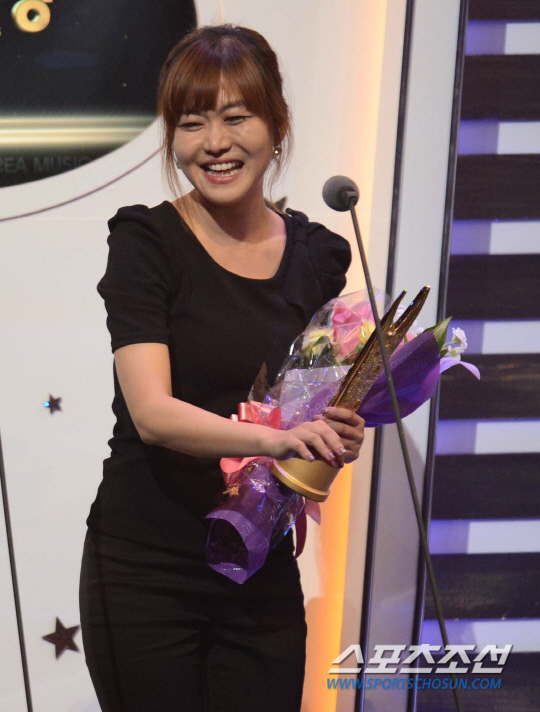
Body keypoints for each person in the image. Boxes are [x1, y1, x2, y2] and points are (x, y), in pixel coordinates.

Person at [79, 23, 365, 712]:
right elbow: (153, 415)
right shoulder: (147, 243)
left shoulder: (319, 256)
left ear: (276, 124)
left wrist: (334, 435)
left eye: (236, 118)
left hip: (257, 569)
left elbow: (306, 405)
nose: (214, 143)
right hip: (145, 569)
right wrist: (278, 439)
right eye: (191, 123)